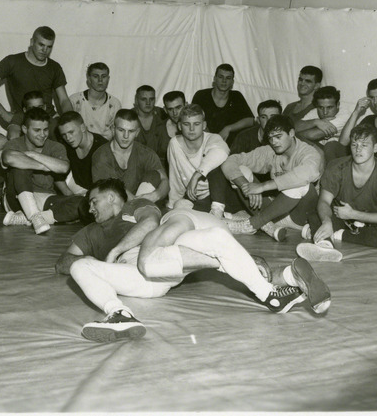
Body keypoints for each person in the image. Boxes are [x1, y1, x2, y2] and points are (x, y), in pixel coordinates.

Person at [57, 179, 330, 342]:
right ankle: (119, 314)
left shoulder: (132, 207)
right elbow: (64, 262)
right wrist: (99, 260)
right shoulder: (90, 231)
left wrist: (115, 250)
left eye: (94, 201)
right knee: (81, 266)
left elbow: (151, 221)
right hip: (142, 279)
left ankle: (258, 279)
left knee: (207, 238)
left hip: (160, 252)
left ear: (111, 196)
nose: (90, 208)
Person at [297, 123, 377, 262]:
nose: (358, 149)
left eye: (364, 145)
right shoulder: (336, 167)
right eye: (354, 145)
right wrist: (327, 221)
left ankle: (339, 235)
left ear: (375, 147)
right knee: (316, 216)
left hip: (370, 222)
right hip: (341, 218)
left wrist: (353, 214)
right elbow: (324, 201)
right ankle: (325, 245)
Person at [221, 115, 324, 242]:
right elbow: (230, 161)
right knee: (242, 169)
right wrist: (245, 186)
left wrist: (262, 186)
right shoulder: (270, 151)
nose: (274, 142)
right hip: (276, 212)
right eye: (271, 138)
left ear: (291, 133)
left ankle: (252, 224)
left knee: (301, 184)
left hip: (301, 217)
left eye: (278, 137)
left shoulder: (309, 152)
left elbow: (308, 173)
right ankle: (267, 225)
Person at [1, 107, 85, 234]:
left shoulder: (55, 146)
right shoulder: (15, 144)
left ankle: (26, 219)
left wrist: (35, 155)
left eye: (45, 130)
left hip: (45, 197)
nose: (42, 135)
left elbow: (63, 167)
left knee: (82, 204)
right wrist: (44, 166)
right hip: (16, 198)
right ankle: (35, 216)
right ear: (24, 129)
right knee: (21, 166)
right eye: (37, 130)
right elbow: (8, 157)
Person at [0, 26, 72, 129]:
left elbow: (63, 100)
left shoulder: (54, 67)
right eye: (41, 44)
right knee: (13, 138)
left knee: (63, 137)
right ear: (32, 42)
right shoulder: (12, 61)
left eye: (49, 47)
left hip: (48, 117)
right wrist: (4, 115)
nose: (44, 50)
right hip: (22, 118)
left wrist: (70, 120)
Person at [166, 103, 238, 218]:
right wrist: (172, 204)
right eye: (186, 124)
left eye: (196, 124)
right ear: (179, 126)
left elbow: (222, 152)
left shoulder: (213, 138)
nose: (191, 129)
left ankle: (218, 213)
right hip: (200, 199)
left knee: (216, 163)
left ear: (204, 125)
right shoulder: (174, 144)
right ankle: (227, 218)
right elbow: (174, 176)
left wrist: (196, 175)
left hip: (222, 195)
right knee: (180, 206)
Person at [92, 109, 169, 204]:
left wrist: (155, 195)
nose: (126, 136)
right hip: (113, 204)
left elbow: (165, 180)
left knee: (155, 175)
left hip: (138, 201)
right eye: (121, 130)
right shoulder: (101, 156)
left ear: (137, 132)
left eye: (131, 131)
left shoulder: (146, 153)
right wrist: (139, 203)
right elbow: (113, 192)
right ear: (113, 129)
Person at [191, 64, 254, 144]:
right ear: (215, 79)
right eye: (221, 77)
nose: (224, 81)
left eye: (228, 78)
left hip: (231, 148)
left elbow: (250, 120)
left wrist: (228, 128)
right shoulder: (201, 95)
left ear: (232, 82)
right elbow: (190, 118)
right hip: (203, 143)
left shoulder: (236, 96)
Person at [57, 111, 108, 194]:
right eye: (63, 135)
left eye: (71, 132)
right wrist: (69, 193)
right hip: (78, 191)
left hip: (100, 193)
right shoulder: (66, 146)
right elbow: (57, 174)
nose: (68, 138)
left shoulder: (102, 147)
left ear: (83, 127)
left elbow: (107, 187)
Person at [297, 86, 353, 161]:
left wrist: (297, 133)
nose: (325, 112)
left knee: (330, 146)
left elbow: (312, 135)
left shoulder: (345, 116)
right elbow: (294, 126)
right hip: (321, 154)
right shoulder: (315, 112)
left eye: (329, 107)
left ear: (338, 105)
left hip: (341, 158)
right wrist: (315, 122)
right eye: (321, 107)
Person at [68, 62, 122, 140]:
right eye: (96, 76)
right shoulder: (75, 100)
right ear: (89, 79)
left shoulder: (115, 104)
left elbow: (117, 134)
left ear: (108, 79)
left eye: (103, 76)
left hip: (105, 148)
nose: (100, 80)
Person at [133, 85, 169, 163]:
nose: (148, 103)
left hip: (160, 165)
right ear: (136, 100)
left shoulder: (163, 115)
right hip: (135, 164)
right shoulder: (129, 117)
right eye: (143, 99)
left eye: (151, 99)